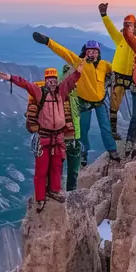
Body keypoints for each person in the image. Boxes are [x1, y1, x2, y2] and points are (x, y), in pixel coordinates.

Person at [0, 64, 82, 206]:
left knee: (56, 165)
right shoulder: (39, 92)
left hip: (58, 136)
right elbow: (25, 84)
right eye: (49, 80)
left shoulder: (62, 91)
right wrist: (11, 78)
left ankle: (54, 190)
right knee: (41, 169)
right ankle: (40, 198)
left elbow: (71, 80)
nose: (52, 82)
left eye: (54, 80)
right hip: (45, 136)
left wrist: (78, 72)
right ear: (45, 81)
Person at [32, 32, 119, 165]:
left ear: (98, 53)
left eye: (94, 51)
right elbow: (64, 52)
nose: (92, 54)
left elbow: (115, 70)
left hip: (100, 101)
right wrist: (48, 41)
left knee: (105, 127)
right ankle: (83, 154)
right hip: (85, 102)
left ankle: (112, 150)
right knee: (83, 129)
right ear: (85, 52)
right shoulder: (79, 62)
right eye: (89, 51)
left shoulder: (104, 65)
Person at [98, 3, 136, 138]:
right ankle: (113, 131)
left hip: (133, 77)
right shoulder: (121, 39)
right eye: (126, 24)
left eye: (130, 25)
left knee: (134, 106)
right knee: (115, 104)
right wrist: (104, 15)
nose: (128, 27)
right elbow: (111, 29)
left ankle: (133, 132)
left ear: (134, 27)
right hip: (120, 76)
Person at [60, 62, 82, 191]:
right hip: (65, 137)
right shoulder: (61, 94)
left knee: (71, 169)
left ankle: (69, 192)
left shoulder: (73, 94)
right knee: (64, 168)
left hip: (74, 136)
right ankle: (64, 192)